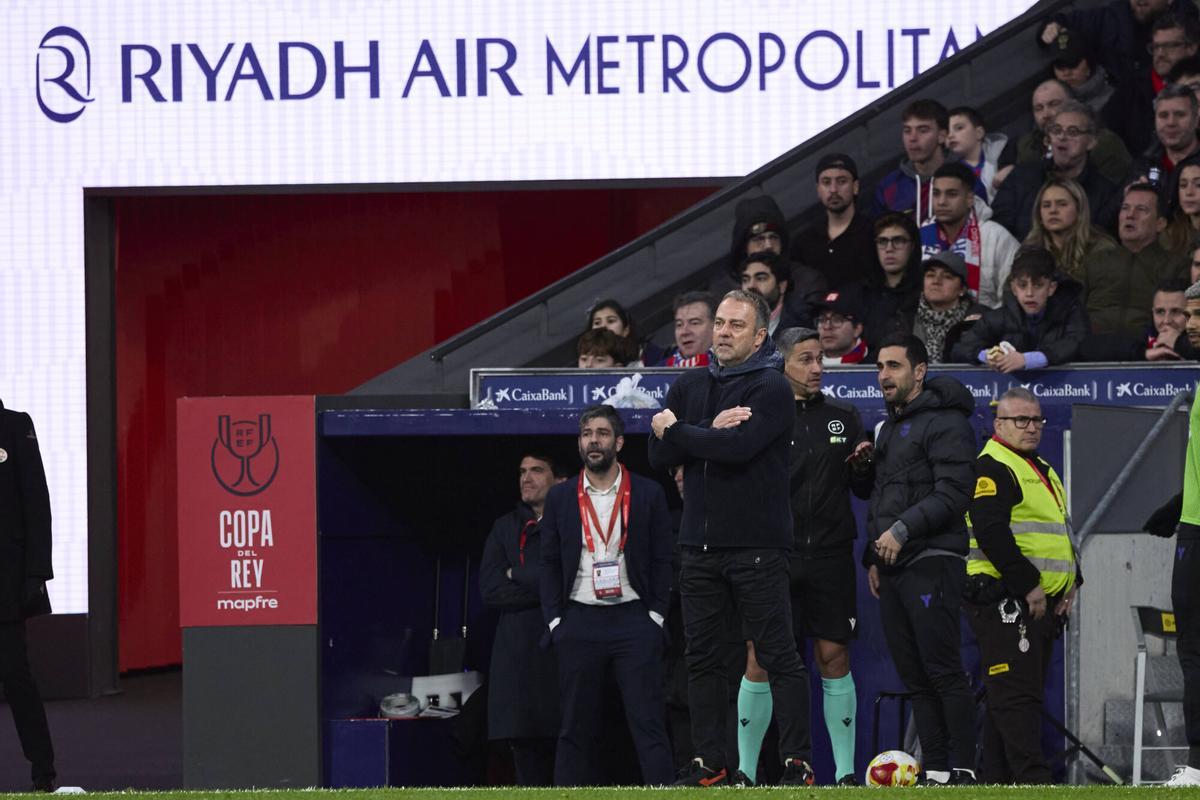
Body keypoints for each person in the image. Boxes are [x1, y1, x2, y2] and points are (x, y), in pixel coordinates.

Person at [648, 290, 814, 786]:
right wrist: (704, 430)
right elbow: (656, 457)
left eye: (735, 325)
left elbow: (739, 449)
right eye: (718, 323)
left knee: (777, 654)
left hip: (757, 548)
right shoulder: (690, 383)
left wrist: (680, 433)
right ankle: (710, 763)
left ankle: (797, 763)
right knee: (700, 657)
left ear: (760, 335)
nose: (722, 332)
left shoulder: (771, 387)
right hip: (697, 549)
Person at [732, 327, 874, 787]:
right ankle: (745, 773)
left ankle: (848, 774)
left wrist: (862, 469)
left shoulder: (845, 416)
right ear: (780, 363)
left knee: (833, 656)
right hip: (775, 556)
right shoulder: (758, 416)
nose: (816, 368)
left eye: (820, 359)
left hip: (831, 555)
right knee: (761, 657)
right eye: (805, 360)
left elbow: (863, 489)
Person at [539, 405, 674, 786]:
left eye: (600, 433)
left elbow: (665, 558)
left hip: (634, 619)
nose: (592, 441)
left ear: (618, 442)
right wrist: (555, 620)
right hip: (578, 618)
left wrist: (656, 616)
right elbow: (548, 562)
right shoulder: (562, 497)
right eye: (586, 434)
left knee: (648, 722)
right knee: (573, 725)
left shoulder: (647, 492)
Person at [867, 333, 979, 785]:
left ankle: (967, 771)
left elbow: (954, 492)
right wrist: (870, 557)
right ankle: (935, 771)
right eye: (879, 366)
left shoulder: (948, 423)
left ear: (919, 371)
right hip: (893, 564)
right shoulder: (889, 426)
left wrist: (903, 529)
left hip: (932, 558)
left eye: (893, 366)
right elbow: (881, 497)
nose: (883, 376)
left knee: (943, 669)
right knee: (915, 675)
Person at [963, 388, 1079, 784]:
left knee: (1006, 700)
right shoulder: (993, 466)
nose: (1032, 428)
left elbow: (1060, 531)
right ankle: (1035, 782)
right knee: (1016, 698)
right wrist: (1030, 585)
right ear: (998, 425)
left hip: (1041, 603)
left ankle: (995, 782)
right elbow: (992, 534)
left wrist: (1072, 582)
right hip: (1006, 601)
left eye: (1037, 420)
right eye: (1021, 421)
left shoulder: (1040, 467)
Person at [480, 454, 567, 785]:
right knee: (526, 758)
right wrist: (547, 588)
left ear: (559, 480)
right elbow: (490, 591)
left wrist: (517, 573)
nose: (526, 478)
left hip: (561, 653)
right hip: (517, 658)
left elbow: (575, 580)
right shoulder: (504, 528)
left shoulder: (573, 523)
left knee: (569, 747)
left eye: (536, 470)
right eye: (521, 472)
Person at [1142, 297, 1200, 785]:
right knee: (1192, 650)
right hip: (1194, 529)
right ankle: (1199, 764)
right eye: (1189, 315)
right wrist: (1181, 505)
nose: (1189, 325)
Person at [0, 403, 56, 792]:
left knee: (16, 676)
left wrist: (36, 573)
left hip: (6, 581)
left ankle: (43, 770)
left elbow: (37, 502)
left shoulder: (15, 426)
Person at [991, 102, 1121, 240]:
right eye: (1056, 130)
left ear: (1091, 142)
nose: (1062, 137)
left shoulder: (1105, 192)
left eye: (1072, 132)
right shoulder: (1021, 176)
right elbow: (997, 230)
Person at [952, 247, 1089, 370]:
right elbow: (960, 349)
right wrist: (986, 356)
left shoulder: (1071, 312)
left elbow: (1077, 344)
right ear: (1013, 288)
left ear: (1051, 288)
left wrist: (1027, 360)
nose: (1029, 293)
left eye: (1038, 285)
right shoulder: (997, 318)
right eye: (1022, 285)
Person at [1082, 183, 1190, 338]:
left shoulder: (1177, 267)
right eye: (1125, 208)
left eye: (1141, 209)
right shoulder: (1094, 263)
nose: (1130, 215)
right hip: (1091, 350)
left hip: (1149, 351)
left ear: (1160, 224)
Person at [1039, 0, 1199, 98]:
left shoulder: (1189, 23)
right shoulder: (1113, 17)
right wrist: (1052, 26)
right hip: (1125, 103)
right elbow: (1064, 21)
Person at [919, 162, 1020, 309]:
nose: (941, 202)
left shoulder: (997, 237)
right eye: (936, 194)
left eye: (951, 194)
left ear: (969, 199)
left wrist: (984, 326)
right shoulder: (920, 234)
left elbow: (1013, 297)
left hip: (985, 328)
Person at [998, 79, 1131, 187]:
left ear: (1073, 104)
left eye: (1054, 104)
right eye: (1039, 109)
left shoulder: (1103, 143)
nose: (1046, 114)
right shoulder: (1026, 146)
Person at [1103, 15, 1200, 157]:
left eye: (1169, 46)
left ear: (1191, 47)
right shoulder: (1130, 88)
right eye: (1156, 47)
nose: (1160, 54)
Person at [873, 100, 985, 220]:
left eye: (923, 130)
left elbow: (980, 229)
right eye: (907, 131)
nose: (912, 138)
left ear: (942, 136)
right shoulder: (889, 185)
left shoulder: (968, 178)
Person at [730, 195, 828, 328]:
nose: (768, 245)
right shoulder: (727, 287)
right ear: (743, 246)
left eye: (774, 237)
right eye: (759, 239)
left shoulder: (808, 281)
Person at [791, 153, 877, 287]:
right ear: (818, 190)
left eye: (841, 181)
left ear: (855, 187)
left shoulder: (874, 233)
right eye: (826, 182)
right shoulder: (804, 242)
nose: (833, 189)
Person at [1022, 177, 1119, 282]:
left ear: (1079, 209)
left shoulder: (1102, 249)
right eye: (1046, 205)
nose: (1053, 210)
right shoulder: (1029, 248)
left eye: (1062, 204)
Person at [860, 213, 922, 354]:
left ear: (912, 246)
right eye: (882, 241)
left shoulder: (926, 293)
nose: (889, 249)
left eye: (898, 241)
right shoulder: (863, 294)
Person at [1128, 82, 1200, 182]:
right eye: (1163, 115)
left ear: (1196, 120)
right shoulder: (1142, 167)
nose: (1171, 123)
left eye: (1180, 115)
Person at [737, 251, 815, 336]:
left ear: (782, 286)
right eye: (745, 280)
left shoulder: (802, 322)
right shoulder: (731, 318)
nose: (750, 285)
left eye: (760, 278)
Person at [947, 107, 1008, 204]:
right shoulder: (950, 173)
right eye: (947, 131)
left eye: (959, 128)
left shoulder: (1006, 155)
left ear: (979, 133)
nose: (950, 135)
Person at [1049, 29, 1113, 114]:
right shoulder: (1046, 104)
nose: (1066, 73)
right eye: (1060, 66)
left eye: (1073, 64)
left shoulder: (1113, 101)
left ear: (1089, 64)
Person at [586, 298, 664, 368]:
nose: (603, 326)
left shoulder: (649, 354)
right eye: (597, 323)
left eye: (611, 321)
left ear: (625, 330)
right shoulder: (585, 357)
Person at [659, 291, 717, 368]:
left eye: (694, 323)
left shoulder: (731, 369)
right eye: (679, 325)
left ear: (716, 326)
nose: (684, 332)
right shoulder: (657, 372)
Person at [814, 291, 869, 366]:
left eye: (837, 320)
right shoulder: (805, 364)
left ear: (857, 329)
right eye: (822, 320)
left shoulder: (877, 364)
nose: (827, 327)